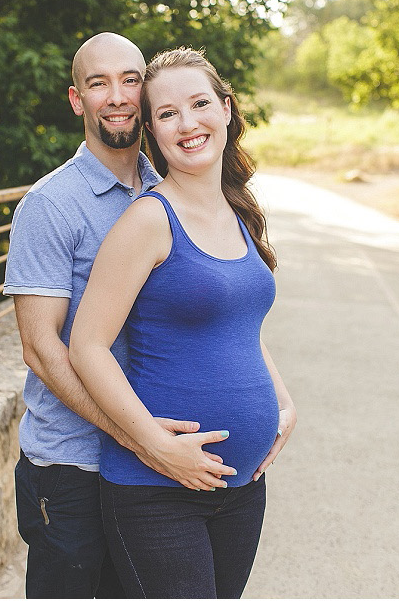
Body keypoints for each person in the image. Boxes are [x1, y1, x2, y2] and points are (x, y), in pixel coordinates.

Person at [3, 34, 227, 599]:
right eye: (98, 83)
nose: (118, 95)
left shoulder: (170, 189)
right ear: (78, 100)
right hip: (72, 465)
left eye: (130, 79)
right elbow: (41, 349)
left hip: (150, 469)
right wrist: (139, 436)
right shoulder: (50, 205)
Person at [70, 49, 296, 600]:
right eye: (167, 114)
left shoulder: (239, 212)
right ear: (152, 131)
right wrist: (154, 445)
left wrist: (284, 405)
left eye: (199, 104)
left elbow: (242, 327)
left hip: (242, 487)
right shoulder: (148, 219)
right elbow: (87, 346)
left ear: (225, 109)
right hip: (157, 489)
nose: (188, 123)